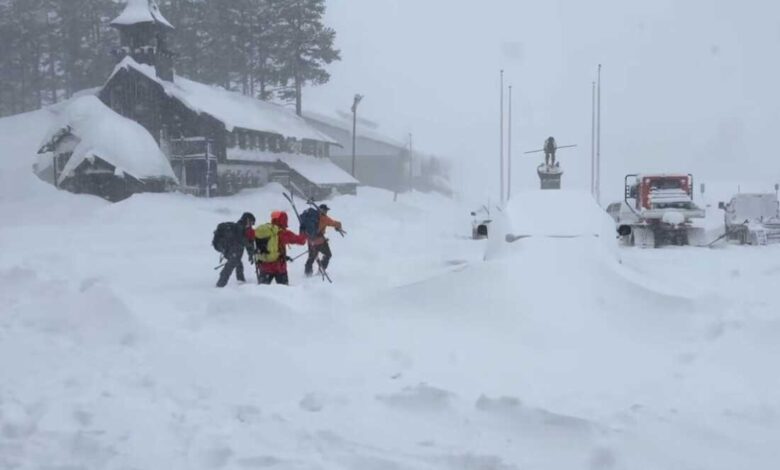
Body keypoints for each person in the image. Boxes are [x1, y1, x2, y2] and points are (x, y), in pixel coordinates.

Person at [255, 211, 307, 285]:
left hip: (264, 266)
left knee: (261, 291)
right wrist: (303, 231)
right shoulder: (283, 233)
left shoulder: (265, 231)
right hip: (279, 268)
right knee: (284, 292)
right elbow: (301, 241)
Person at [215, 212, 256, 288]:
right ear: (247, 220)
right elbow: (242, 240)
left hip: (232, 251)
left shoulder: (242, 228)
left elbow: (245, 241)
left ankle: (240, 282)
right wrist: (250, 247)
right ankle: (220, 285)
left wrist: (250, 253)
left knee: (238, 264)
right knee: (230, 266)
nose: (251, 225)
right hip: (232, 251)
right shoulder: (239, 227)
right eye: (251, 222)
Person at [304, 204, 344, 277]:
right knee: (328, 254)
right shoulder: (324, 218)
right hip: (320, 241)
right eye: (326, 210)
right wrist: (339, 226)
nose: (326, 212)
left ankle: (307, 274)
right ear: (323, 210)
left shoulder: (311, 217)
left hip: (310, 241)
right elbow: (335, 223)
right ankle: (321, 271)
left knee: (311, 257)